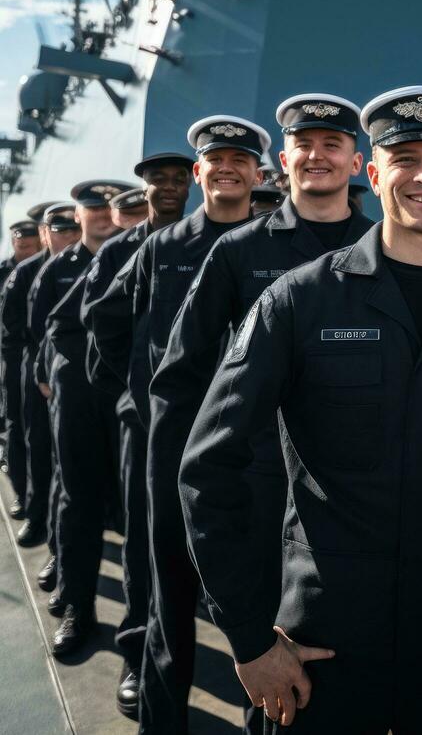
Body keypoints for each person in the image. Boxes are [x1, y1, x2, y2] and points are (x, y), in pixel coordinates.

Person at [179, 86, 422, 734]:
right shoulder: (298, 303)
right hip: (327, 648)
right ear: (374, 171)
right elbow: (206, 468)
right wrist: (249, 639)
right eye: (404, 158)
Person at [151, 93, 373, 732]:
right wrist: (184, 488)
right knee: (275, 683)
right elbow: (181, 378)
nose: (318, 155)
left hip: (354, 497)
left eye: (333, 144)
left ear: (356, 161)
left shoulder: (386, 249)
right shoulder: (238, 254)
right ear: (285, 159)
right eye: (305, 144)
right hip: (261, 496)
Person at [132, 116, 267, 734]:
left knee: (259, 596)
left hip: (253, 447)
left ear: (259, 173)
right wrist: (142, 402)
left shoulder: (274, 246)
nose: (228, 168)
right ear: (199, 172)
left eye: (240, 159)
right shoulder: (161, 248)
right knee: (170, 594)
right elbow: (127, 334)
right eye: (216, 160)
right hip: (175, 439)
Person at [82, 151, 194, 717]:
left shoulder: (217, 243)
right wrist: (132, 395)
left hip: (212, 427)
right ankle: (139, 656)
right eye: (160, 181)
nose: (170, 189)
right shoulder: (128, 251)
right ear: (144, 188)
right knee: (146, 547)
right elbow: (100, 321)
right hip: (149, 426)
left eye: (179, 179)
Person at [42, 180, 133, 657]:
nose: (101, 214)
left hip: (133, 400)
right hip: (82, 393)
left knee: (139, 514)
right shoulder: (72, 265)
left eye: (110, 206)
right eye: (92, 206)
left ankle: (142, 634)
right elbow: (53, 325)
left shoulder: (147, 249)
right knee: (78, 501)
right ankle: (80, 607)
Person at [25, 204, 82, 600]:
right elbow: (37, 331)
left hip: (116, 392)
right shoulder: (45, 273)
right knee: (68, 481)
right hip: (66, 385)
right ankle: (63, 565)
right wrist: (45, 375)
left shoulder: (124, 257)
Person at [0, 220, 43, 519]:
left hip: (38, 359)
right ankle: (22, 493)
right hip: (11, 357)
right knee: (16, 426)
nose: (25, 248)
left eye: (30, 244)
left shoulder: (47, 267)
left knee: (38, 433)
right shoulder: (7, 272)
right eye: (21, 244)